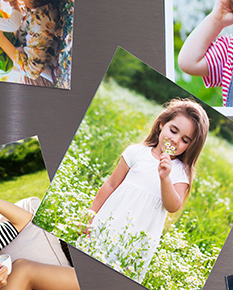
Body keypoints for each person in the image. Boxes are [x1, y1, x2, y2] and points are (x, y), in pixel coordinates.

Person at [85, 99, 209, 279]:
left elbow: (173, 206)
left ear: (191, 146)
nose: (175, 140)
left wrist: (165, 177)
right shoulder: (136, 152)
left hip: (138, 237)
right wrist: (90, 214)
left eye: (185, 140)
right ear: (161, 124)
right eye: (173, 131)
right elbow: (111, 184)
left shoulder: (181, 172)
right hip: (110, 222)